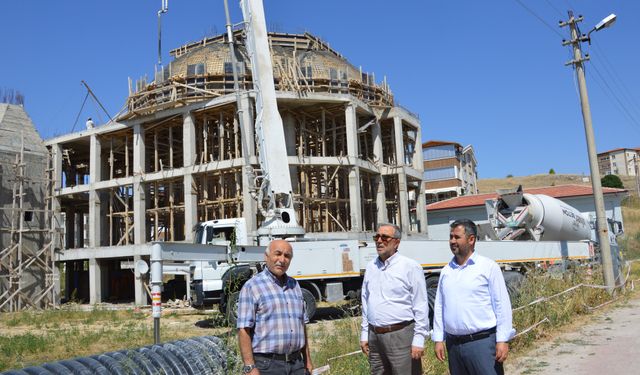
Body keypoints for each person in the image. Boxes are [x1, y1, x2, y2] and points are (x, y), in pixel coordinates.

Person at [433, 219, 515, 375]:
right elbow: (439, 306)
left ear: (471, 239)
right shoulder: (446, 271)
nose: (452, 241)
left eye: (457, 237)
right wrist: (438, 339)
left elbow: (501, 305)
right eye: (451, 237)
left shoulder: (487, 267)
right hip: (454, 346)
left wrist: (503, 340)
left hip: (482, 344)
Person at [360, 223, 429, 375]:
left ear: (397, 242)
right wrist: (365, 333)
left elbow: (421, 305)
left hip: (401, 335)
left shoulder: (410, 267)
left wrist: (418, 339)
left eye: (384, 237)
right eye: (376, 237)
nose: (379, 241)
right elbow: (366, 301)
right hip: (374, 336)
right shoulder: (371, 267)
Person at [237, 239, 313, 375]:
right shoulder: (252, 286)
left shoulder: (294, 286)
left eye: (287, 256)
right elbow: (244, 329)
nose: (282, 260)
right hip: (267, 366)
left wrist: (307, 360)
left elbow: (301, 326)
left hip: (297, 364)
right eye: (277, 254)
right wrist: (249, 366)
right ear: (266, 257)